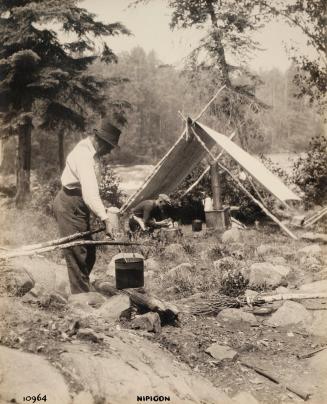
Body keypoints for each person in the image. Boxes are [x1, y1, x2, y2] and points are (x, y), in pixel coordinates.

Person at [53, 118, 121, 294]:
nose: (110, 151)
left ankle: (79, 289)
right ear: (100, 141)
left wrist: (102, 211)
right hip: (70, 204)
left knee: (88, 253)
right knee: (77, 254)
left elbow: (92, 191)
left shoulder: (93, 153)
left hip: (79, 204)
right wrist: (106, 219)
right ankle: (80, 301)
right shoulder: (84, 155)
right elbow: (90, 193)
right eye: (109, 146)